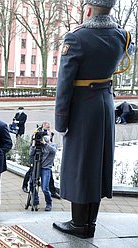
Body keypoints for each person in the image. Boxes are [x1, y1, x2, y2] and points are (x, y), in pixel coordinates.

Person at [53, 0, 134, 239]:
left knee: (80, 164)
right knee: (98, 164)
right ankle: (91, 223)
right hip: (105, 104)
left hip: (82, 108)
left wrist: (61, 121)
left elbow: (64, 85)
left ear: (88, 10)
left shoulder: (76, 38)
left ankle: (79, 224)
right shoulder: (121, 36)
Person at [22, 121, 61, 200]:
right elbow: (32, 148)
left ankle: (52, 192)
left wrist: (48, 139)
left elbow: (52, 147)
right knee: (31, 173)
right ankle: (25, 186)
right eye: (47, 128)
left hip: (46, 159)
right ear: (43, 126)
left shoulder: (49, 134)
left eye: (49, 128)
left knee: (49, 177)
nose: (48, 129)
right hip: (35, 158)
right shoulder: (37, 133)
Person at [29, 126, 58, 211]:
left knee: (45, 188)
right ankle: (35, 200)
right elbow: (31, 153)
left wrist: (45, 143)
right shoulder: (38, 145)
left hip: (46, 169)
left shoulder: (52, 145)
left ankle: (49, 203)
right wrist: (34, 143)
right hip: (37, 167)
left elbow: (53, 151)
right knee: (32, 183)